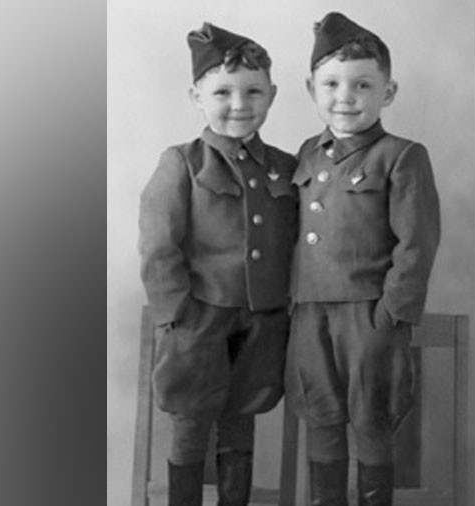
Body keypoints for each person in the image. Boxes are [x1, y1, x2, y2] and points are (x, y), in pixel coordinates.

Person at [285, 12, 441, 506]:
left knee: (372, 417)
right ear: (311, 89)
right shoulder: (308, 153)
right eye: (331, 84)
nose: (345, 96)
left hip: (369, 314)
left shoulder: (402, 156)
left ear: (387, 93)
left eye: (362, 84)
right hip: (310, 312)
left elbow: (416, 244)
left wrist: (391, 314)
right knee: (320, 414)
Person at [138, 22, 297, 506]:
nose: (239, 104)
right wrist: (176, 315)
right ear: (197, 96)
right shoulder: (182, 162)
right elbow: (158, 245)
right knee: (190, 419)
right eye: (223, 92)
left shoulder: (286, 167)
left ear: (272, 95)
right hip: (199, 318)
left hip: (261, 319)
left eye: (253, 91)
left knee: (241, 417)